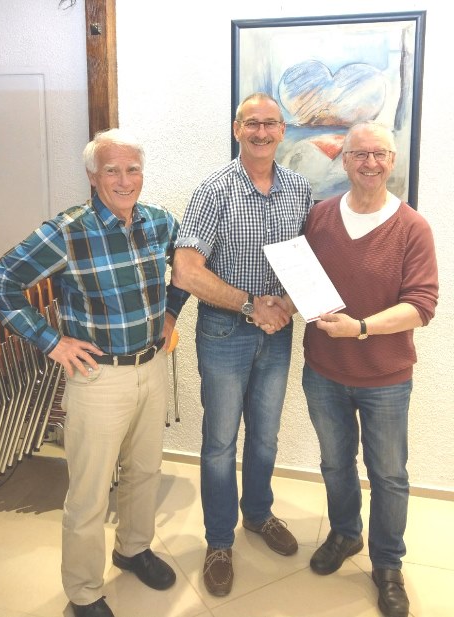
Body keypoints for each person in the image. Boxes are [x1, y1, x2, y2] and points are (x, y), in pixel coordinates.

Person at [0, 128, 189, 617]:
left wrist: (171, 313)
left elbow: (186, 270)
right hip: (99, 377)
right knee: (90, 493)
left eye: (132, 169)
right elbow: (0, 281)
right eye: (112, 170)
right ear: (93, 177)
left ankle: (133, 549)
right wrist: (51, 341)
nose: (124, 180)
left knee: (145, 471)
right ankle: (83, 592)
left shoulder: (160, 221)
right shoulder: (67, 231)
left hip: (150, 366)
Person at [172, 92, 313, 596]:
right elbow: (186, 270)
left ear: (283, 131)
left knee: (266, 436)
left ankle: (257, 513)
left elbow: (311, 261)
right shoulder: (215, 190)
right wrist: (252, 305)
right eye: (251, 123)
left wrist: (286, 306)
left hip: (278, 331)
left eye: (270, 124)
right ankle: (218, 541)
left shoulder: (300, 188)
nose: (261, 132)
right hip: (224, 331)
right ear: (237, 130)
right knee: (219, 444)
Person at [301, 122, 438, 617]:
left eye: (380, 154)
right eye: (360, 154)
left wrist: (360, 328)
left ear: (392, 161)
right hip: (324, 371)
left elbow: (421, 306)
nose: (370, 163)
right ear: (345, 161)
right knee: (335, 463)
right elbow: (303, 280)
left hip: (385, 378)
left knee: (389, 474)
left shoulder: (412, 227)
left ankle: (387, 563)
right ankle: (345, 533)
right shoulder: (319, 217)